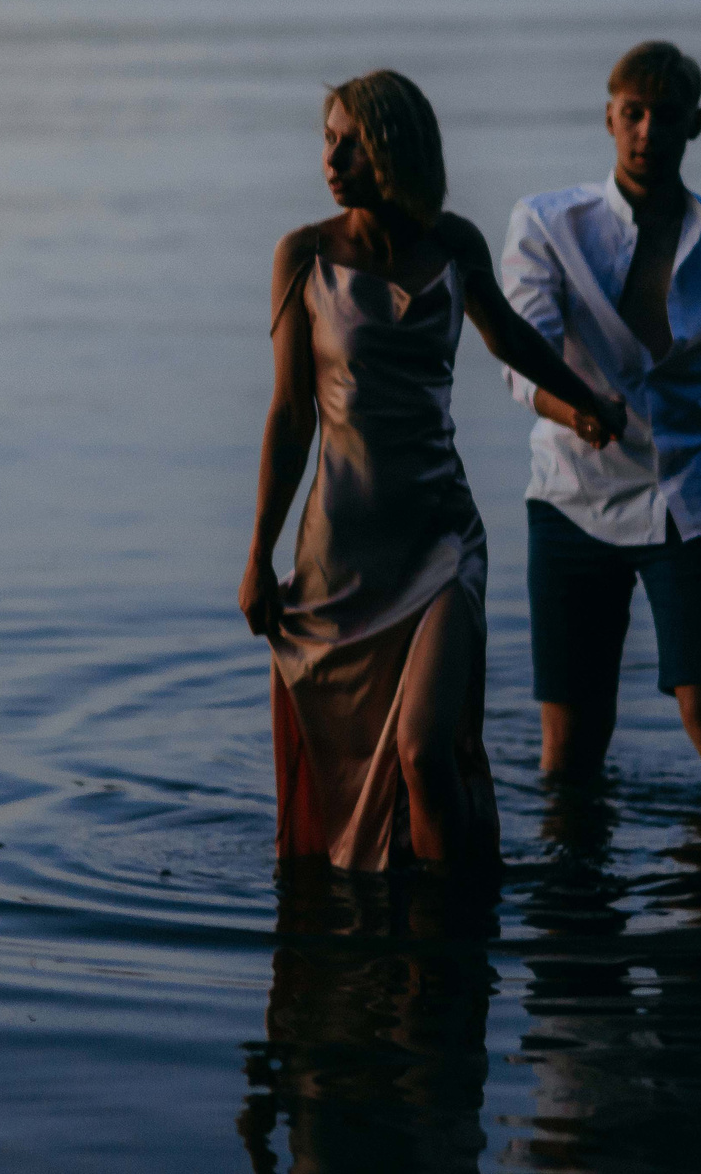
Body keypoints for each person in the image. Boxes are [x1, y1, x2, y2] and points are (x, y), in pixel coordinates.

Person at [242, 70, 629, 875]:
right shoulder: (304, 255)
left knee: (423, 750)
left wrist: (583, 396)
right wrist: (257, 556)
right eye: (327, 139)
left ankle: (457, 948)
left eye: (350, 140)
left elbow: (508, 337)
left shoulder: (454, 243)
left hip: (441, 538)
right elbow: (289, 417)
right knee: (359, 768)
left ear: (394, 147)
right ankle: (405, 939)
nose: (332, 156)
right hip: (339, 550)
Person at [500, 41, 701, 809]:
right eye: (633, 113)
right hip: (570, 495)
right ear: (608, 116)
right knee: (569, 745)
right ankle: (573, 911)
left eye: (665, 117)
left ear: (696, 124)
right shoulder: (546, 223)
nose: (646, 132)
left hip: (688, 502)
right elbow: (519, 356)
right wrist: (579, 412)